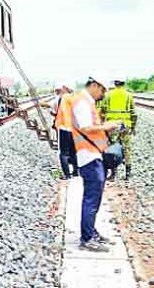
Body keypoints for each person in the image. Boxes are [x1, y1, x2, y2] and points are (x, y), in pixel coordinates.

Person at [70, 72, 122, 252]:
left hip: (93, 154)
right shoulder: (83, 103)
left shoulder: (86, 102)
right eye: (102, 90)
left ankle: (91, 231)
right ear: (94, 86)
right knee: (91, 198)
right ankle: (87, 238)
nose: (103, 94)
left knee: (94, 197)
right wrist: (107, 126)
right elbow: (85, 127)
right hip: (88, 155)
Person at [99, 75, 137, 180]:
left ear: (115, 83)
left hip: (112, 126)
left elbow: (102, 112)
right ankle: (128, 174)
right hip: (126, 126)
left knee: (112, 149)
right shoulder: (129, 95)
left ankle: (113, 174)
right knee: (126, 149)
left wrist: (101, 125)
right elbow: (134, 113)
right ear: (124, 83)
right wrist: (133, 127)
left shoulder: (108, 95)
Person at [53, 82, 76, 179]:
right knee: (74, 151)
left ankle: (67, 175)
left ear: (64, 88)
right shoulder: (74, 98)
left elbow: (54, 110)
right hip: (74, 129)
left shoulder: (60, 99)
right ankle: (76, 172)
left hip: (63, 127)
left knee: (63, 153)